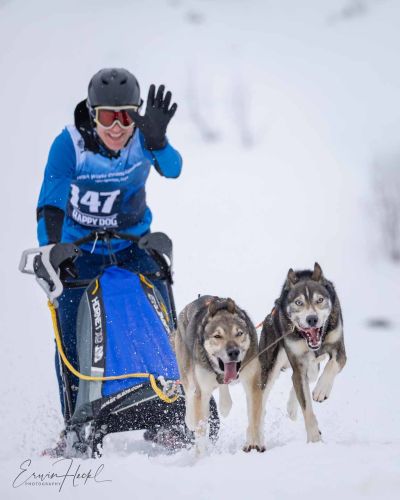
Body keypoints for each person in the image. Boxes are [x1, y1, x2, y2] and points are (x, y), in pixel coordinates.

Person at [36, 68, 183, 432]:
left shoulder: (144, 138)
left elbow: (174, 169)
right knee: (70, 333)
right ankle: (75, 425)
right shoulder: (69, 144)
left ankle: (169, 411)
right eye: (107, 117)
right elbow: (50, 204)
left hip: (132, 244)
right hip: (80, 249)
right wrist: (52, 249)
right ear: (92, 113)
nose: (116, 128)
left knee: (163, 323)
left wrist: (158, 140)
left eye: (125, 117)